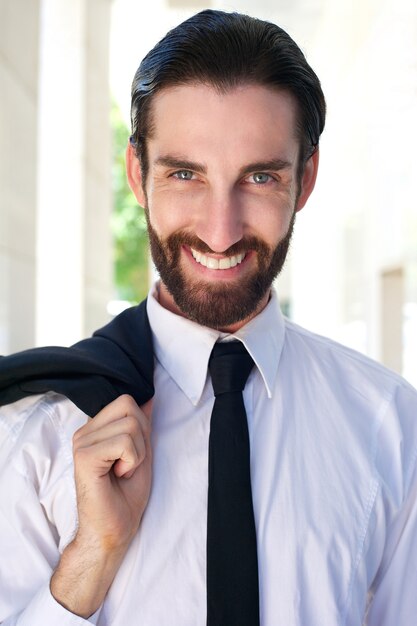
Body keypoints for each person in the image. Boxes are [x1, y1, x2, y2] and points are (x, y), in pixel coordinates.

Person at [0, 8, 416, 626]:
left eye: (261, 177)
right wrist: (92, 556)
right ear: (138, 175)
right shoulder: (35, 434)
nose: (220, 232)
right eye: (186, 173)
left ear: (305, 180)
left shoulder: (389, 423)